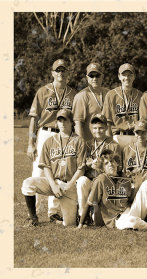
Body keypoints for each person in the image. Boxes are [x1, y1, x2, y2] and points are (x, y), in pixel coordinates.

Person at [26, 58, 78, 223]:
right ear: (52, 73)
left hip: (65, 134)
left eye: (63, 70)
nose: (60, 73)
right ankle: (32, 213)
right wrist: (30, 143)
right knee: (38, 171)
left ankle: (53, 211)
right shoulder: (43, 91)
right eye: (58, 70)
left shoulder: (73, 93)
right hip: (46, 133)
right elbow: (34, 119)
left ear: (68, 73)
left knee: (59, 172)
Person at [21, 109, 85, 227]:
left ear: (72, 122)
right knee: (28, 183)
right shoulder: (49, 141)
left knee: (69, 224)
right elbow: (45, 166)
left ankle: (76, 212)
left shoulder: (79, 141)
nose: (62, 123)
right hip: (54, 183)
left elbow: (81, 168)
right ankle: (33, 218)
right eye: (59, 120)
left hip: (69, 186)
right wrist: (54, 185)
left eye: (65, 120)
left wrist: (69, 185)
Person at [77, 149, 147, 230]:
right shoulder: (101, 180)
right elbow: (89, 203)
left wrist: (138, 185)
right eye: (106, 163)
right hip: (113, 219)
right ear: (102, 169)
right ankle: (142, 224)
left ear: (117, 163)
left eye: (112, 161)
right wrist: (80, 225)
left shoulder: (125, 179)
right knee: (132, 221)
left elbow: (130, 200)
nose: (110, 164)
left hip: (126, 213)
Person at [75, 114, 122, 223]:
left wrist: (101, 167)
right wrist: (88, 164)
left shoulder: (114, 145)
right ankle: (83, 215)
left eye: (101, 128)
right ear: (91, 129)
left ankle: (98, 212)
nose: (98, 131)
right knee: (81, 181)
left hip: (105, 182)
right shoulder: (88, 144)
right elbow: (81, 163)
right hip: (90, 179)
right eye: (95, 128)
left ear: (106, 127)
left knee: (98, 220)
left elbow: (117, 169)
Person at [102, 63, 143, 148]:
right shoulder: (111, 95)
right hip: (117, 137)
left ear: (134, 76)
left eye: (130, 75)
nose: (127, 78)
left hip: (136, 136)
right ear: (119, 76)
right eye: (124, 75)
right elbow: (107, 123)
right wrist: (109, 143)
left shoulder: (140, 95)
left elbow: (143, 120)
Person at [73, 62, 109, 142]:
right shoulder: (81, 96)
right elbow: (77, 123)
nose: (94, 78)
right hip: (90, 144)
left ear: (102, 76)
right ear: (87, 77)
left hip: (108, 143)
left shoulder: (109, 94)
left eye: (97, 75)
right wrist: (81, 146)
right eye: (91, 76)